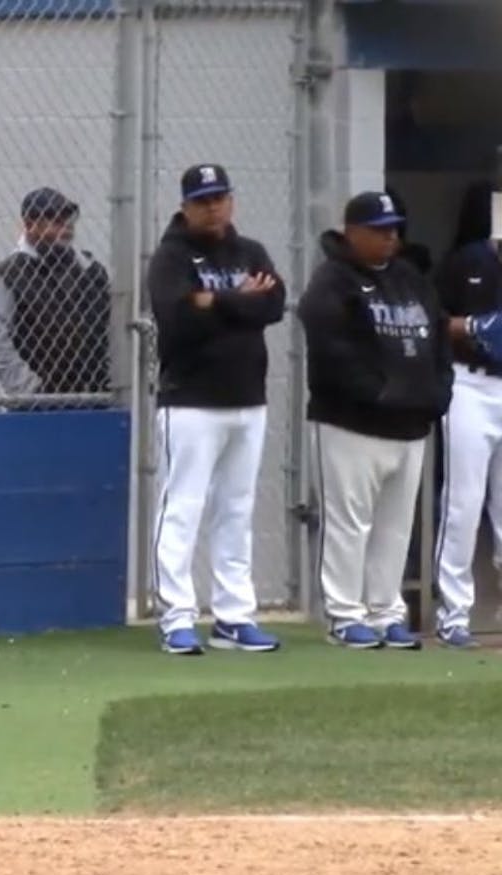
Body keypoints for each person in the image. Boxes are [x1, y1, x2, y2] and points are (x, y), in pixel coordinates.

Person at [300, 191, 453, 650]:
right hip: (351, 424)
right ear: (353, 232)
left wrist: (436, 393)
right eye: (380, 230)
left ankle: (387, 612)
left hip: (409, 427)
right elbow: (330, 351)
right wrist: (379, 392)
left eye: (394, 229)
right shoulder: (333, 281)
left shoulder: (411, 279)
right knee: (349, 523)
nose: (390, 238)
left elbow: (439, 339)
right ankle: (345, 615)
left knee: (395, 526)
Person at [147, 164, 287, 655]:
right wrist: (235, 300)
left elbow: (273, 304)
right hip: (189, 401)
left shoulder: (251, 252)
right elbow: (178, 316)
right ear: (186, 206)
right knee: (182, 508)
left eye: (220, 197)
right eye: (203, 200)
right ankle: (177, 616)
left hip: (248, 400)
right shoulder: (170, 256)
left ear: (231, 200)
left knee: (236, 509)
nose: (213, 207)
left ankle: (233, 615)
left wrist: (214, 301)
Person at [430, 217, 502, 649]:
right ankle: (452, 615)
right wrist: (473, 327)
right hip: (471, 383)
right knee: (463, 502)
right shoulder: (467, 261)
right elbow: (432, 318)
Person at [0, 187, 111, 396]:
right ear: (29, 225)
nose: (66, 230)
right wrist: (32, 391)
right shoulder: (10, 275)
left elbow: (111, 330)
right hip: (39, 405)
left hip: (95, 396)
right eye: (56, 223)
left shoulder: (91, 271)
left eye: (69, 223)